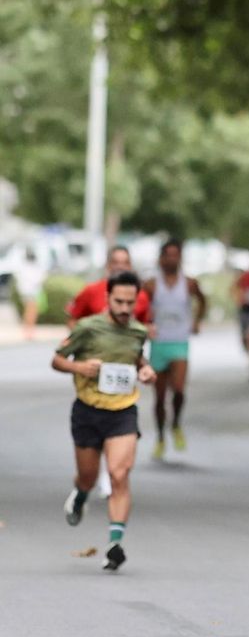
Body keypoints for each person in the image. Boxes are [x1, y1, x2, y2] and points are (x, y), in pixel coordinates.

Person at [51, 270, 155, 571]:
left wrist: (146, 370)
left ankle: (114, 544)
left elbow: (136, 357)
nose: (124, 308)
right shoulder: (88, 328)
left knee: (119, 474)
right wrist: (80, 367)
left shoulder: (138, 331)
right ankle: (81, 494)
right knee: (88, 476)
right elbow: (57, 359)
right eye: (119, 302)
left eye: (130, 303)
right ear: (108, 298)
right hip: (88, 410)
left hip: (123, 411)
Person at [142, 239, 206, 460]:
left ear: (180, 258)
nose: (171, 259)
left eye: (175, 255)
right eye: (167, 255)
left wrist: (196, 321)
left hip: (180, 342)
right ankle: (160, 437)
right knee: (159, 398)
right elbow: (141, 307)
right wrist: (145, 324)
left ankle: (176, 423)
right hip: (159, 343)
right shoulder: (151, 284)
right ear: (161, 258)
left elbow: (202, 301)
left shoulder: (189, 283)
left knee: (178, 390)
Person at [66, 245, 151, 328]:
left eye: (125, 263)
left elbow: (145, 326)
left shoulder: (141, 296)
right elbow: (72, 319)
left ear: (130, 265)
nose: (120, 266)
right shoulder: (91, 291)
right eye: (115, 262)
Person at [15, 248, 46, 340]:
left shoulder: (24, 267)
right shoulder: (30, 268)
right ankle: (29, 331)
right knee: (31, 312)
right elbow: (39, 279)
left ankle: (29, 331)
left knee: (30, 311)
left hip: (28, 292)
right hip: (32, 292)